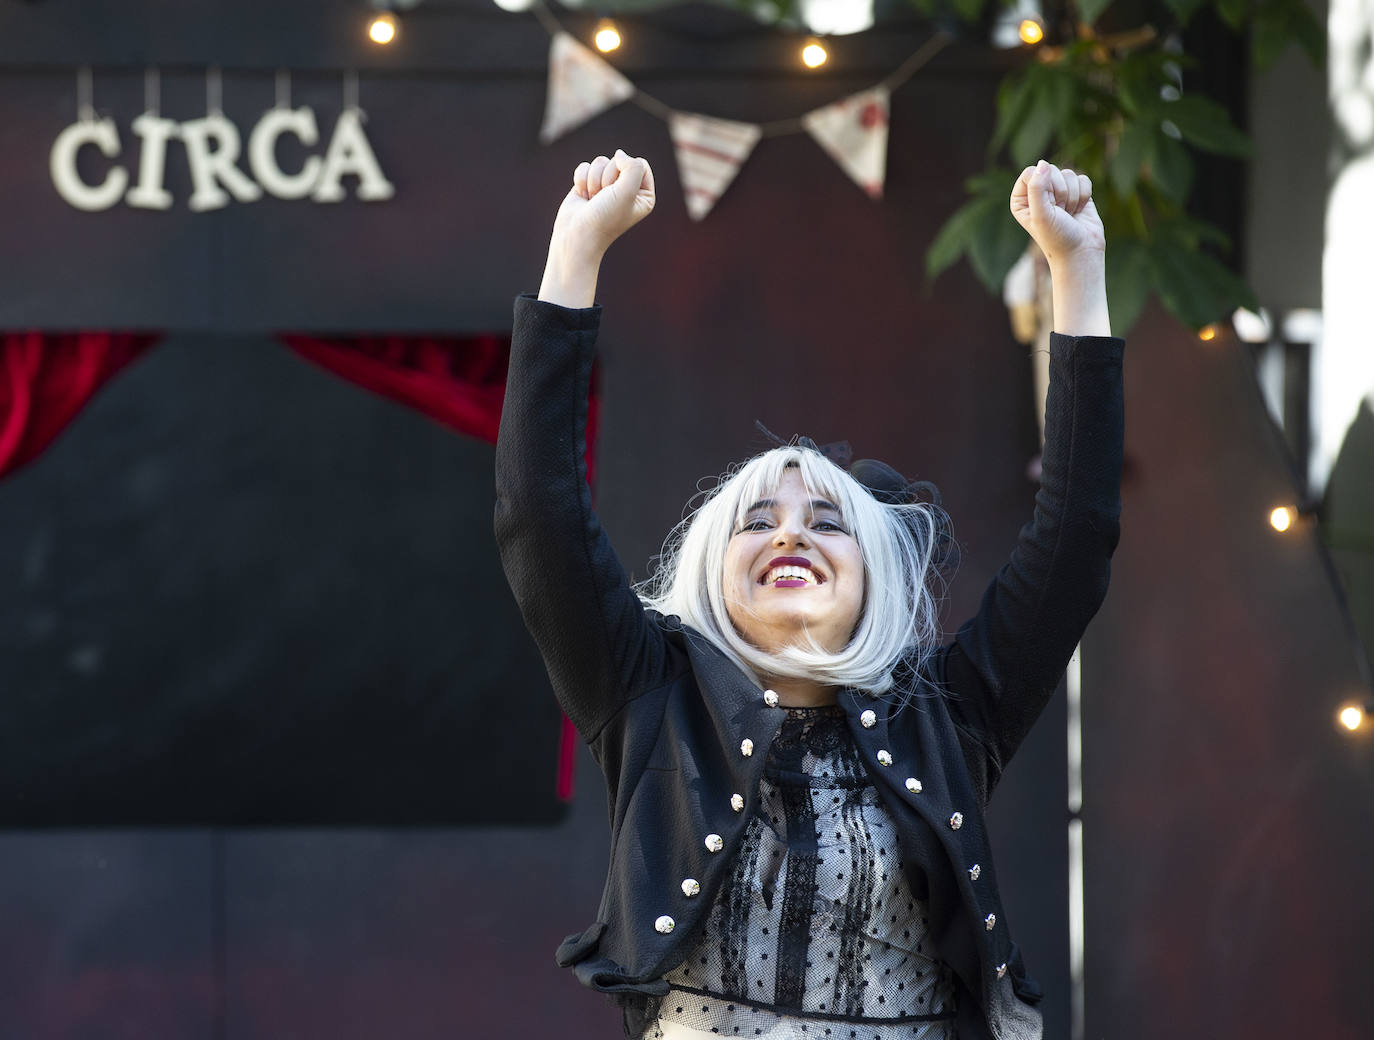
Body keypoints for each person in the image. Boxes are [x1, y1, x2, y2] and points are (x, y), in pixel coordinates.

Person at [495, 150, 1123, 1040]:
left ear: (872, 574)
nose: (789, 533)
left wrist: (1078, 271)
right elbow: (538, 512)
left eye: (827, 522)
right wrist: (574, 257)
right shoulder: (649, 695)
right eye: (757, 521)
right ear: (715, 568)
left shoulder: (947, 717)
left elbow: (1076, 540)